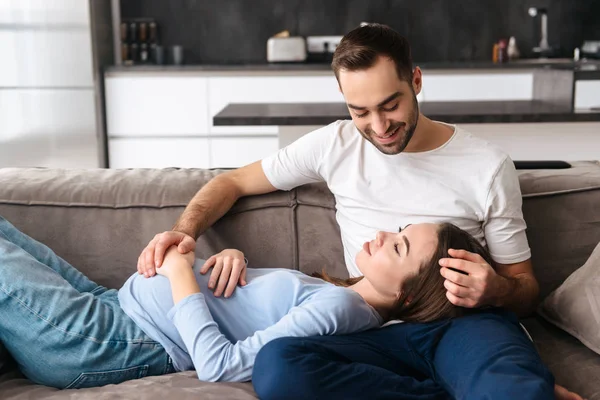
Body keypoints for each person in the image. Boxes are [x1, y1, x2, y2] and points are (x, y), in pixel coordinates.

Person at [137, 23, 584, 399]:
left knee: (508, 391)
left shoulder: (486, 165)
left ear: (417, 80)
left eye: (391, 105)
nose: (379, 126)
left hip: (461, 325)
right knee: (279, 366)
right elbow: (230, 182)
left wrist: (498, 291)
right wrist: (184, 233)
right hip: (368, 332)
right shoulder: (334, 144)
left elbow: (526, 289)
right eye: (361, 111)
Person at [0, 214, 504, 389]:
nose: (380, 235)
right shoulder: (340, 294)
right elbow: (253, 308)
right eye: (397, 230)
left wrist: (181, 275)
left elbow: (219, 365)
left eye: (398, 245)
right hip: (111, 304)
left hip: (108, 341)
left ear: (410, 294)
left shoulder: (344, 312)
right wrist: (233, 259)